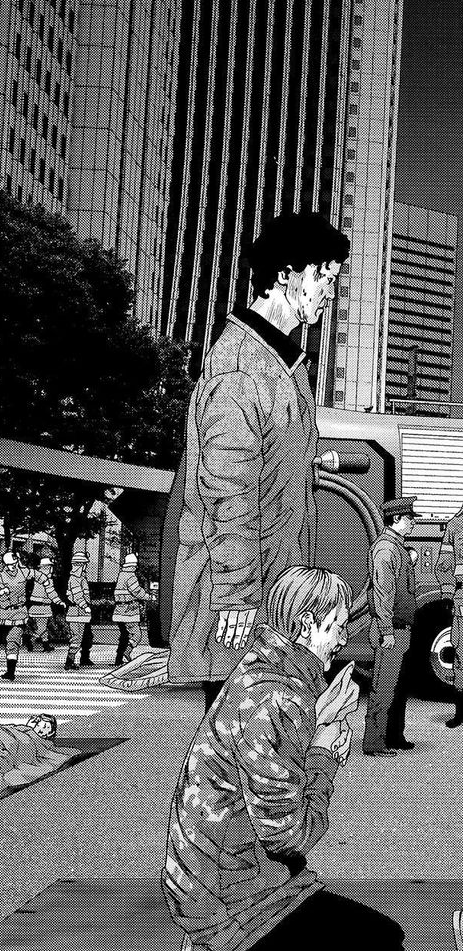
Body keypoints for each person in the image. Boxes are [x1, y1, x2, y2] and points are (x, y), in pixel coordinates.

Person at [164, 566, 405, 951]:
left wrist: (320, 718)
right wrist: (325, 756)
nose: (342, 639)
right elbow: (288, 836)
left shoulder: (269, 670)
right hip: (234, 888)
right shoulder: (279, 699)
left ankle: (221, 947)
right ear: (307, 623)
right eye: (336, 626)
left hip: (223, 866)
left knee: (388, 936)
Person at [165, 211, 350, 710]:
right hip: (241, 605)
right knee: (242, 746)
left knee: (267, 742)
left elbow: (263, 463)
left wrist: (307, 463)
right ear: (286, 273)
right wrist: (236, 595)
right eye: (324, 276)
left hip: (272, 593)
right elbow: (228, 491)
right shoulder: (242, 369)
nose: (330, 292)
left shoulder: (281, 363)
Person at [362, 498, 417, 756]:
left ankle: (394, 736)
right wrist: (386, 631)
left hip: (400, 629)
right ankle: (374, 743)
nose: (413, 522)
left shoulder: (396, 547)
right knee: (383, 688)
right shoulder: (386, 549)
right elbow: (383, 593)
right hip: (391, 630)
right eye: (409, 518)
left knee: (397, 687)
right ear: (396, 519)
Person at [0, 551, 46, 681]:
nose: (11, 567)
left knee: (12, 640)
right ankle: (11, 668)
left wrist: (45, 581)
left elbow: (36, 574)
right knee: (9, 641)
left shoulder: (23, 572)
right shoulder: (1, 576)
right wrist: (0, 591)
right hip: (4, 614)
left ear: (17, 562)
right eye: (9, 565)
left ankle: (10, 672)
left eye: (13, 564)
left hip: (19, 613)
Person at [436, 503, 463, 727]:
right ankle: (461, 712)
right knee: (461, 656)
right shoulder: (455, 525)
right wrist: (447, 592)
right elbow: (444, 565)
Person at [112, 553, 151, 666]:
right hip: (128, 611)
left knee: (124, 635)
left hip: (119, 611)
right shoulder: (130, 576)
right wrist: (149, 597)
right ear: (132, 566)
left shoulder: (121, 575)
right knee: (137, 635)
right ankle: (127, 652)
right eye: (135, 566)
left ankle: (118, 659)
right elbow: (137, 591)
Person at [25, 556, 65, 652]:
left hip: (36, 606)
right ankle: (31, 639)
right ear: (44, 568)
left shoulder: (36, 579)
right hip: (43, 607)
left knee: (42, 626)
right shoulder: (47, 580)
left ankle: (45, 645)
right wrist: (59, 601)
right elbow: (51, 593)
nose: (51, 570)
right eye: (49, 567)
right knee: (42, 627)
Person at [64, 551, 93, 669]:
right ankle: (69, 661)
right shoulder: (75, 579)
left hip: (80, 613)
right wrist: (85, 606)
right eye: (84, 564)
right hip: (76, 612)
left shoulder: (81, 578)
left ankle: (72, 661)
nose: (85, 566)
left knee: (80, 638)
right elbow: (77, 596)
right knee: (76, 638)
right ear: (79, 565)